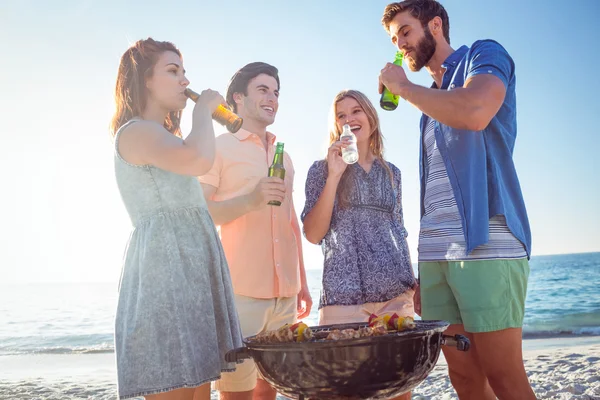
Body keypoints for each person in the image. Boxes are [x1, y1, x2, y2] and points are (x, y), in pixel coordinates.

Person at [378, 1, 536, 399]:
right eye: (395, 39)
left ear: (435, 24)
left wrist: (404, 88)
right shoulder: (427, 104)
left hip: (487, 242)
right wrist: (424, 266)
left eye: (406, 32)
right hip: (436, 253)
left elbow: (477, 110)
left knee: (504, 377)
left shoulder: (484, 55)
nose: (401, 44)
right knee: (463, 378)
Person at [110, 38, 243, 400]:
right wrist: (205, 113)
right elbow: (198, 160)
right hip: (164, 273)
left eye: (185, 72)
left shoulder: (168, 136)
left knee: (200, 391)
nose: (185, 81)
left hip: (193, 272)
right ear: (145, 80)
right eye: (173, 71)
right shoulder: (136, 131)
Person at [198, 62, 312, 400]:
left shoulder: (285, 157)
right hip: (240, 294)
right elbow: (201, 215)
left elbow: (290, 223)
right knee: (239, 395)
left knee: (271, 391)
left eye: (276, 92)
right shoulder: (218, 147)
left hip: (285, 296)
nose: (272, 98)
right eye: (263, 89)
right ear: (237, 98)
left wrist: (302, 284)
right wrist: (251, 199)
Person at [302, 89, 416, 400]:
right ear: (336, 125)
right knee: (346, 391)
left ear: (371, 118)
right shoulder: (321, 169)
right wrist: (334, 176)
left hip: (395, 296)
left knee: (399, 390)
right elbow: (313, 234)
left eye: (356, 111)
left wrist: (414, 285)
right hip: (343, 299)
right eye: (341, 115)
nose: (350, 119)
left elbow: (400, 230)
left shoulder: (392, 174)